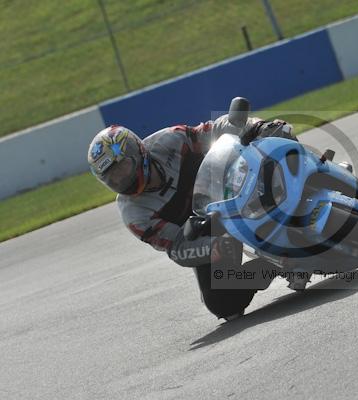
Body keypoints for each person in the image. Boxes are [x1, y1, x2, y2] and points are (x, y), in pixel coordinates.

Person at [87, 115, 294, 321]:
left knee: (269, 142)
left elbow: (216, 130)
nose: (120, 179)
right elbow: (177, 246)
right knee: (223, 303)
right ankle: (271, 267)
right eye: (112, 178)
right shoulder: (134, 214)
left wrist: (257, 127)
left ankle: (301, 183)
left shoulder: (170, 141)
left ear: (136, 152)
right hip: (206, 229)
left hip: (231, 187)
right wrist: (212, 247)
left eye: (122, 168)